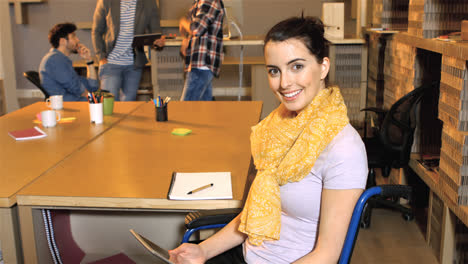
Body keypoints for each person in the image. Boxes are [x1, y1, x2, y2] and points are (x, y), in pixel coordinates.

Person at [169, 16, 368, 264]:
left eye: (297, 66)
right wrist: (204, 250)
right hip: (246, 254)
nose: (284, 83)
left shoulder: (343, 148)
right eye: (274, 71)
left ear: (323, 67)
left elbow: (326, 255)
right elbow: (252, 214)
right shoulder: (276, 127)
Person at [92, 0, 166, 101]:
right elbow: (96, 31)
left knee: (129, 106)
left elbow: (156, 33)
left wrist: (158, 42)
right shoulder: (106, 1)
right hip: (111, 63)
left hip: (134, 65)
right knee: (110, 106)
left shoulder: (149, 3)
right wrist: (101, 57)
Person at [39, 23, 98, 102]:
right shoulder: (55, 60)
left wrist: (88, 60)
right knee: (106, 102)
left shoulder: (61, 60)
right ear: (63, 41)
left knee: (106, 100)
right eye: (73, 36)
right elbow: (77, 89)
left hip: (75, 101)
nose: (77, 40)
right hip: (69, 105)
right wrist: (94, 100)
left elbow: (92, 86)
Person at [179, 0, 225, 101]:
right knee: (203, 110)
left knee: (185, 110)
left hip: (202, 64)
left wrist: (183, 22)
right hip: (199, 64)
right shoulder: (197, 3)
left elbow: (197, 28)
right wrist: (186, 38)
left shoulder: (209, 1)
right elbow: (190, 26)